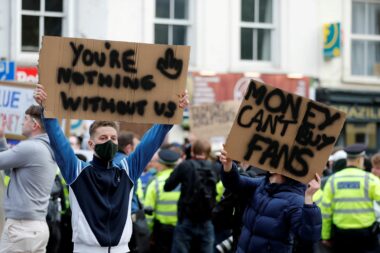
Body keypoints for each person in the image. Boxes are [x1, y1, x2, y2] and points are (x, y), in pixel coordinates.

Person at [34, 84, 188, 252]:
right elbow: (57, 138)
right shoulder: (77, 171)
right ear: (91, 144)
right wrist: (46, 108)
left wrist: (173, 111)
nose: (109, 141)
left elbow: (152, 141)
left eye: (113, 138)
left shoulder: (127, 170)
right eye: (103, 137)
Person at [219, 147, 322, 253]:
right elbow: (235, 183)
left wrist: (309, 198)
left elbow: (309, 237)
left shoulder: (296, 200)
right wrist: (228, 165)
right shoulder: (262, 183)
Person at [0, 105, 57, 253]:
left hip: (21, 228)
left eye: (25, 119)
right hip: (36, 227)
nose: (21, 123)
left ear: (35, 125)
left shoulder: (30, 147)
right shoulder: (45, 147)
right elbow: (8, 168)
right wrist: (1, 139)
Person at [321, 143, 380, 253]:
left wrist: (326, 236)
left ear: (347, 159)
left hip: (341, 236)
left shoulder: (333, 180)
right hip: (366, 237)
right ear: (360, 159)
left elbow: (326, 212)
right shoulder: (371, 180)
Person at [164, 139, 218, 253]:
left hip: (186, 218)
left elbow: (167, 186)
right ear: (208, 152)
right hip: (206, 219)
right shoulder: (215, 168)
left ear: (192, 150)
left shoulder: (185, 166)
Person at [144, 149, 181, 253]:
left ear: (161, 164)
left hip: (162, 232)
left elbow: (148, 213)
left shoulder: (154, 183)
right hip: (181, 229)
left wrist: (150, 232)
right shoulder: (183, 181)